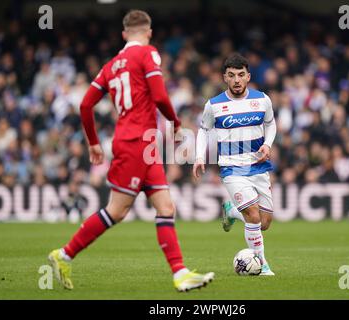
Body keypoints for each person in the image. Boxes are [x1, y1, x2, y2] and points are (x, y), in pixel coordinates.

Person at [48, 10, 214, 292]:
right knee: (116, 211)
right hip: (136, 142)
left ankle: (180, 273)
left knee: (165, 206)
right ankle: (63, 255)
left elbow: (86, 105)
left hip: (139, 142)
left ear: (124, 34)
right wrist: (175, 122)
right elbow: (160, 96)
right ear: (148, 32)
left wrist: (93, 143)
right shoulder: (148, 54)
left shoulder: (111, 65)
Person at [193, 53, 276, 276]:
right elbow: (203, 131)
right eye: (231, 75)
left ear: (248, 76)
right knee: (253, 215)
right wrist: (199, 156)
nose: (237, 80)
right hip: (231, 168)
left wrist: (268, 145)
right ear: (225, 78)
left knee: (265, 222)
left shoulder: (262, 100)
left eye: (241, 75)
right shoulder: (214, 105)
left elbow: (271, 124)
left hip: (258, 166)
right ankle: (262, 263)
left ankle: (231, 210)